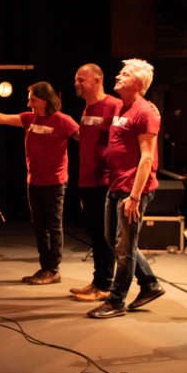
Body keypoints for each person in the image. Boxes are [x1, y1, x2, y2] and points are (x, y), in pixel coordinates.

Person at [0, 82, 79, 285]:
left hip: (55, 183)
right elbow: (2, 118)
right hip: (34, 181)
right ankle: (45, 267)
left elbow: (84, 138)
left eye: (33, 100)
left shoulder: (62, 120)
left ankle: (53, 269)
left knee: (53, 226)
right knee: (39, 227)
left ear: (45, 100)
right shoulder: (29, 118)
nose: (29, 104)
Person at [87, 59, 165, 319]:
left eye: (125, 74)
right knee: (114, 240)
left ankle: (116, 300)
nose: (118, 76)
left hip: (132, 190)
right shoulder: (121, 106)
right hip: (116, 184)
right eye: (120, 72)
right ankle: (150, 284)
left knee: (125, 248)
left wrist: (134, 197)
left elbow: (147, 158)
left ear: (139, 84)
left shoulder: (145, 112)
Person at [69, 63, 122, 302]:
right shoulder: (88, 108)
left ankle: (104, 285)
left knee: (104, 236)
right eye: (76, 79)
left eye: (81, 80)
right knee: (94, 233)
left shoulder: (114, 105)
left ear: (97, 81)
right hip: (87, 180)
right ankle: (97, 281)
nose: (76, 83)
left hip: (104, 181)